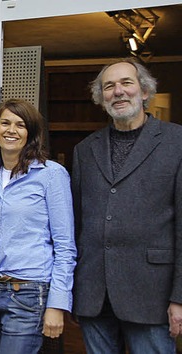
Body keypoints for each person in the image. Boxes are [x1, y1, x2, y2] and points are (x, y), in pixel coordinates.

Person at [71, 58, 182, 353]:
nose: (118, 91)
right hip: (94, 296)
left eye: (126, 83)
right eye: (109, 86)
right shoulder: (84, 150)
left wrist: (179, 297)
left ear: (144, 92)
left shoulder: (177, 142)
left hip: (152, 296)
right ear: (101, 97)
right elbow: (77, 225)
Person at [0, 99, 77, 354]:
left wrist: (57, 304)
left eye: (20, 125)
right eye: (5, 123)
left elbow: (65, 247)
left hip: (27, 293)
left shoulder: (51, 175)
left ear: (32, 134)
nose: (11, 130)